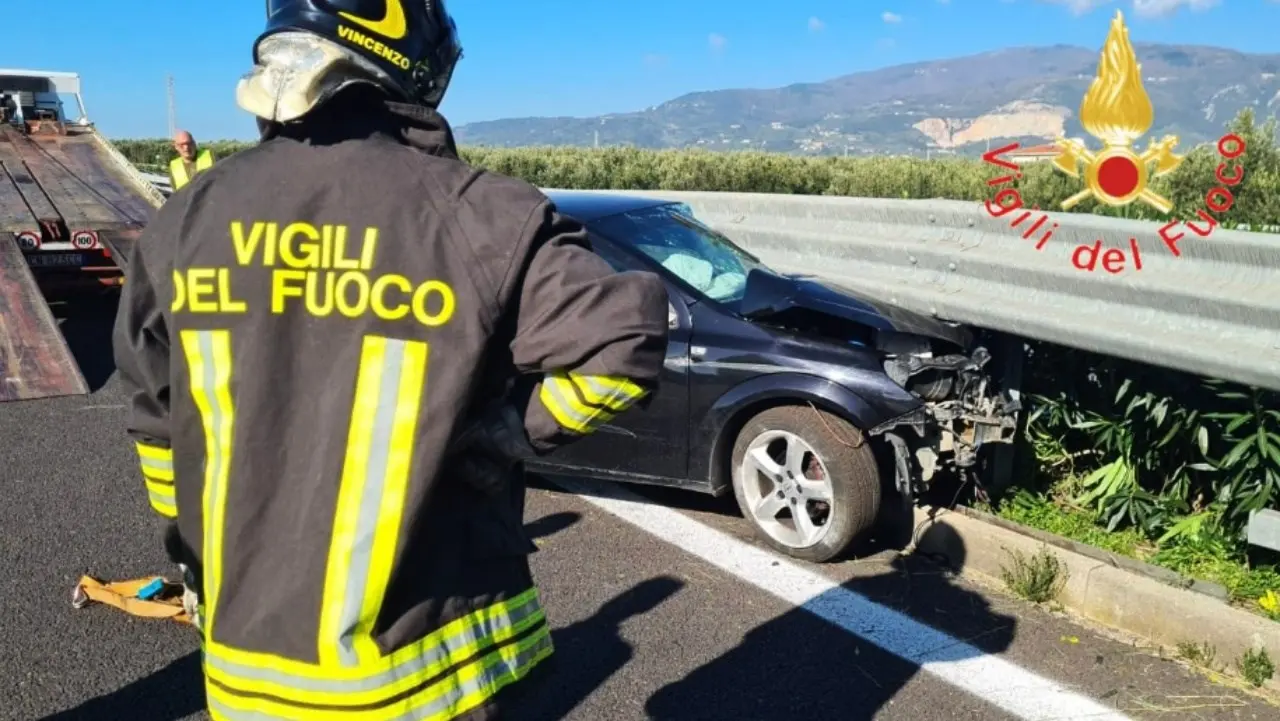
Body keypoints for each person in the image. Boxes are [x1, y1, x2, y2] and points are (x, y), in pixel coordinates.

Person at [110, 1, 670, 719]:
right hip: (436, 676)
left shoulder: (182, 222)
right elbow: (622, 349)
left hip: (249, 678)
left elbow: (159, 433)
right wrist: (509, 432)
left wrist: (202, 560)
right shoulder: (481, 213)